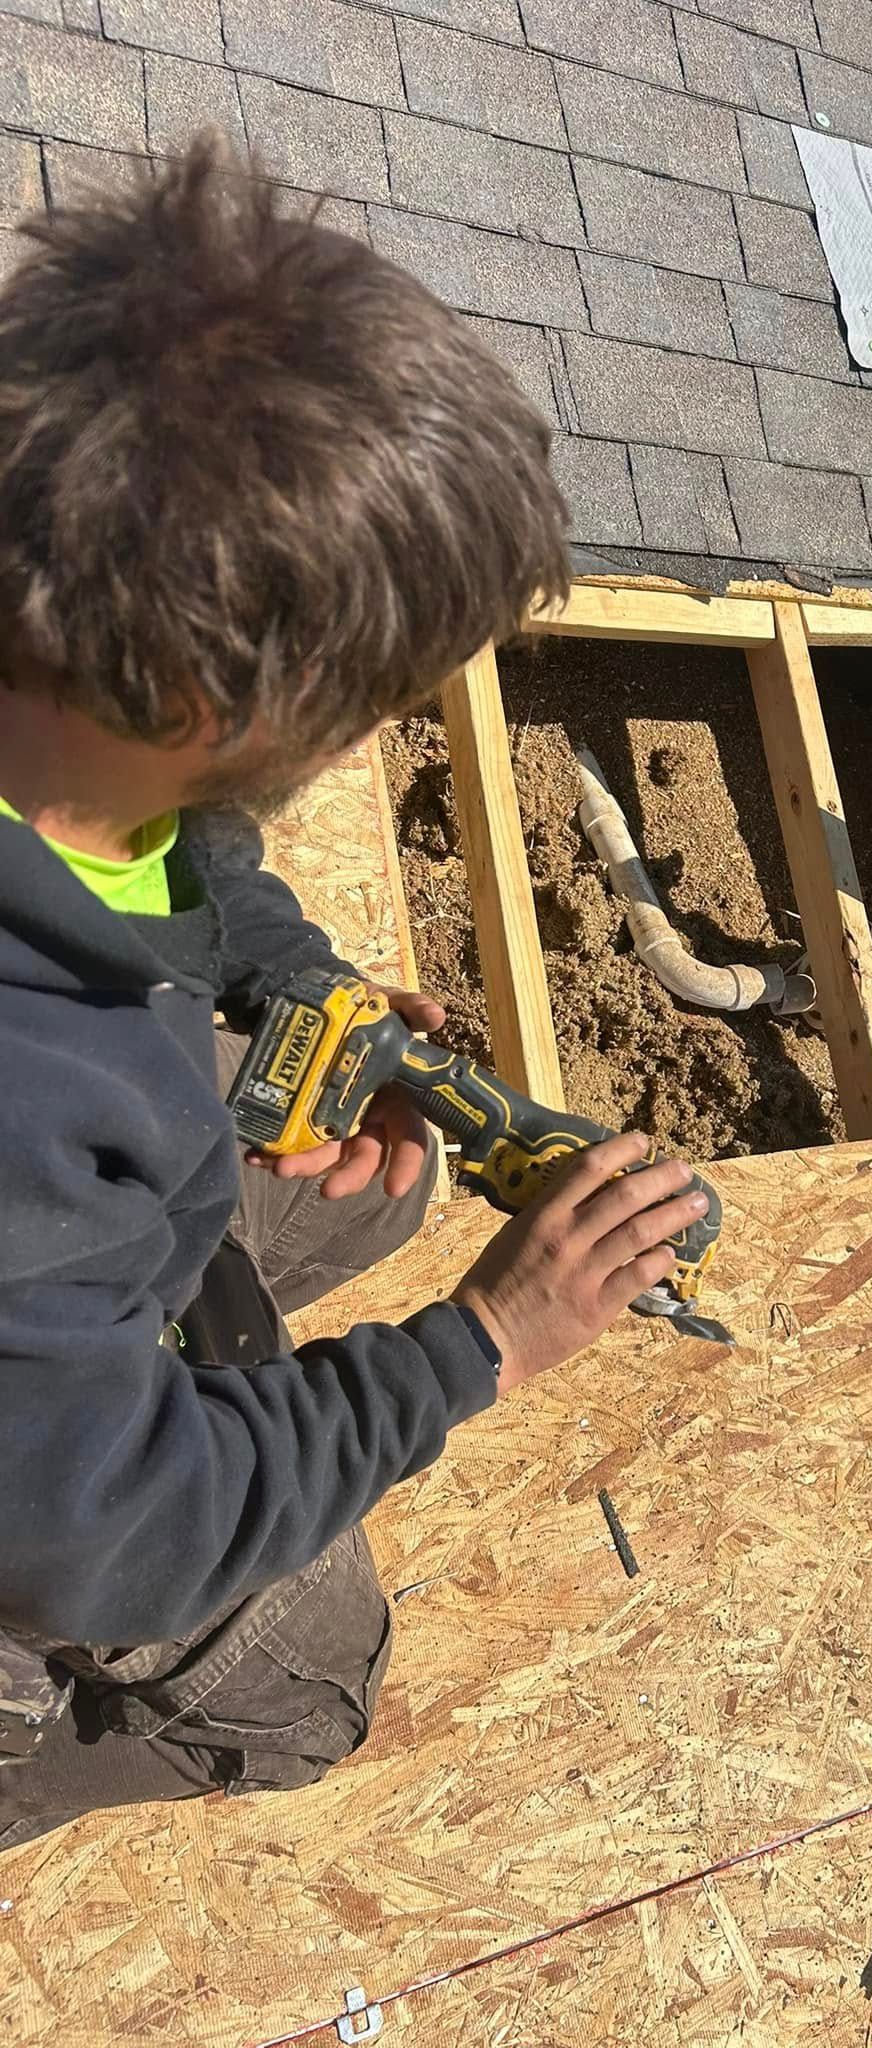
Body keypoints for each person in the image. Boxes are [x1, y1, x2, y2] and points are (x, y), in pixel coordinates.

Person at [0, 133, 705, 1848]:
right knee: (317, 1683)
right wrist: (484, 1346)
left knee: (380, 1203)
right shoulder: (28, 1103)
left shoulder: (57, 672)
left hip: (63, 1269)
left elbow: (178, 849)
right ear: (195, 698)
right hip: (44, 1497)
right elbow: (113, 1527)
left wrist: (301, 983)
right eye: (355, 703)